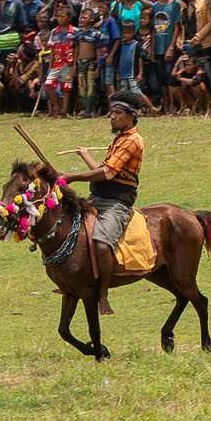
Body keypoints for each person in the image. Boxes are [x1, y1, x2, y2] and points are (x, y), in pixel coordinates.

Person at [52, 100, 144, 317]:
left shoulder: (132, 141)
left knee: (102, 244)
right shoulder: (119, 139)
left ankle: (102, 294)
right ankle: (70, 282)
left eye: (117, 113)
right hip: (98, 197)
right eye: (111, 112)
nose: (112, 117)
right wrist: (85, 154)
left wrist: (72, 177)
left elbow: (107, 174)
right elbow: (103, 169)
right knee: (69, 231)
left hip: (116, 203)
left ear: (131, 115)